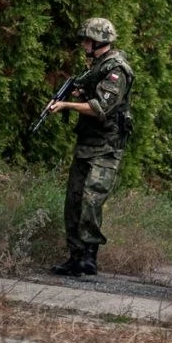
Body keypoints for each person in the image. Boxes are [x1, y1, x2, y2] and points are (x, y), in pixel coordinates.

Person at [50, 17, 134, 276]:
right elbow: (92, 96)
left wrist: (65, 105)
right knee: (73, 201)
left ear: (99, 41)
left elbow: (101, 108)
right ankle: (75, 257)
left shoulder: (116, 69)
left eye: (87, 39)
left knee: (91, 198)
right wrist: (78, 94)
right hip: (86, 144)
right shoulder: (96, 66)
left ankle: (89, 256)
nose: (83, 44)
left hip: (106, 147)